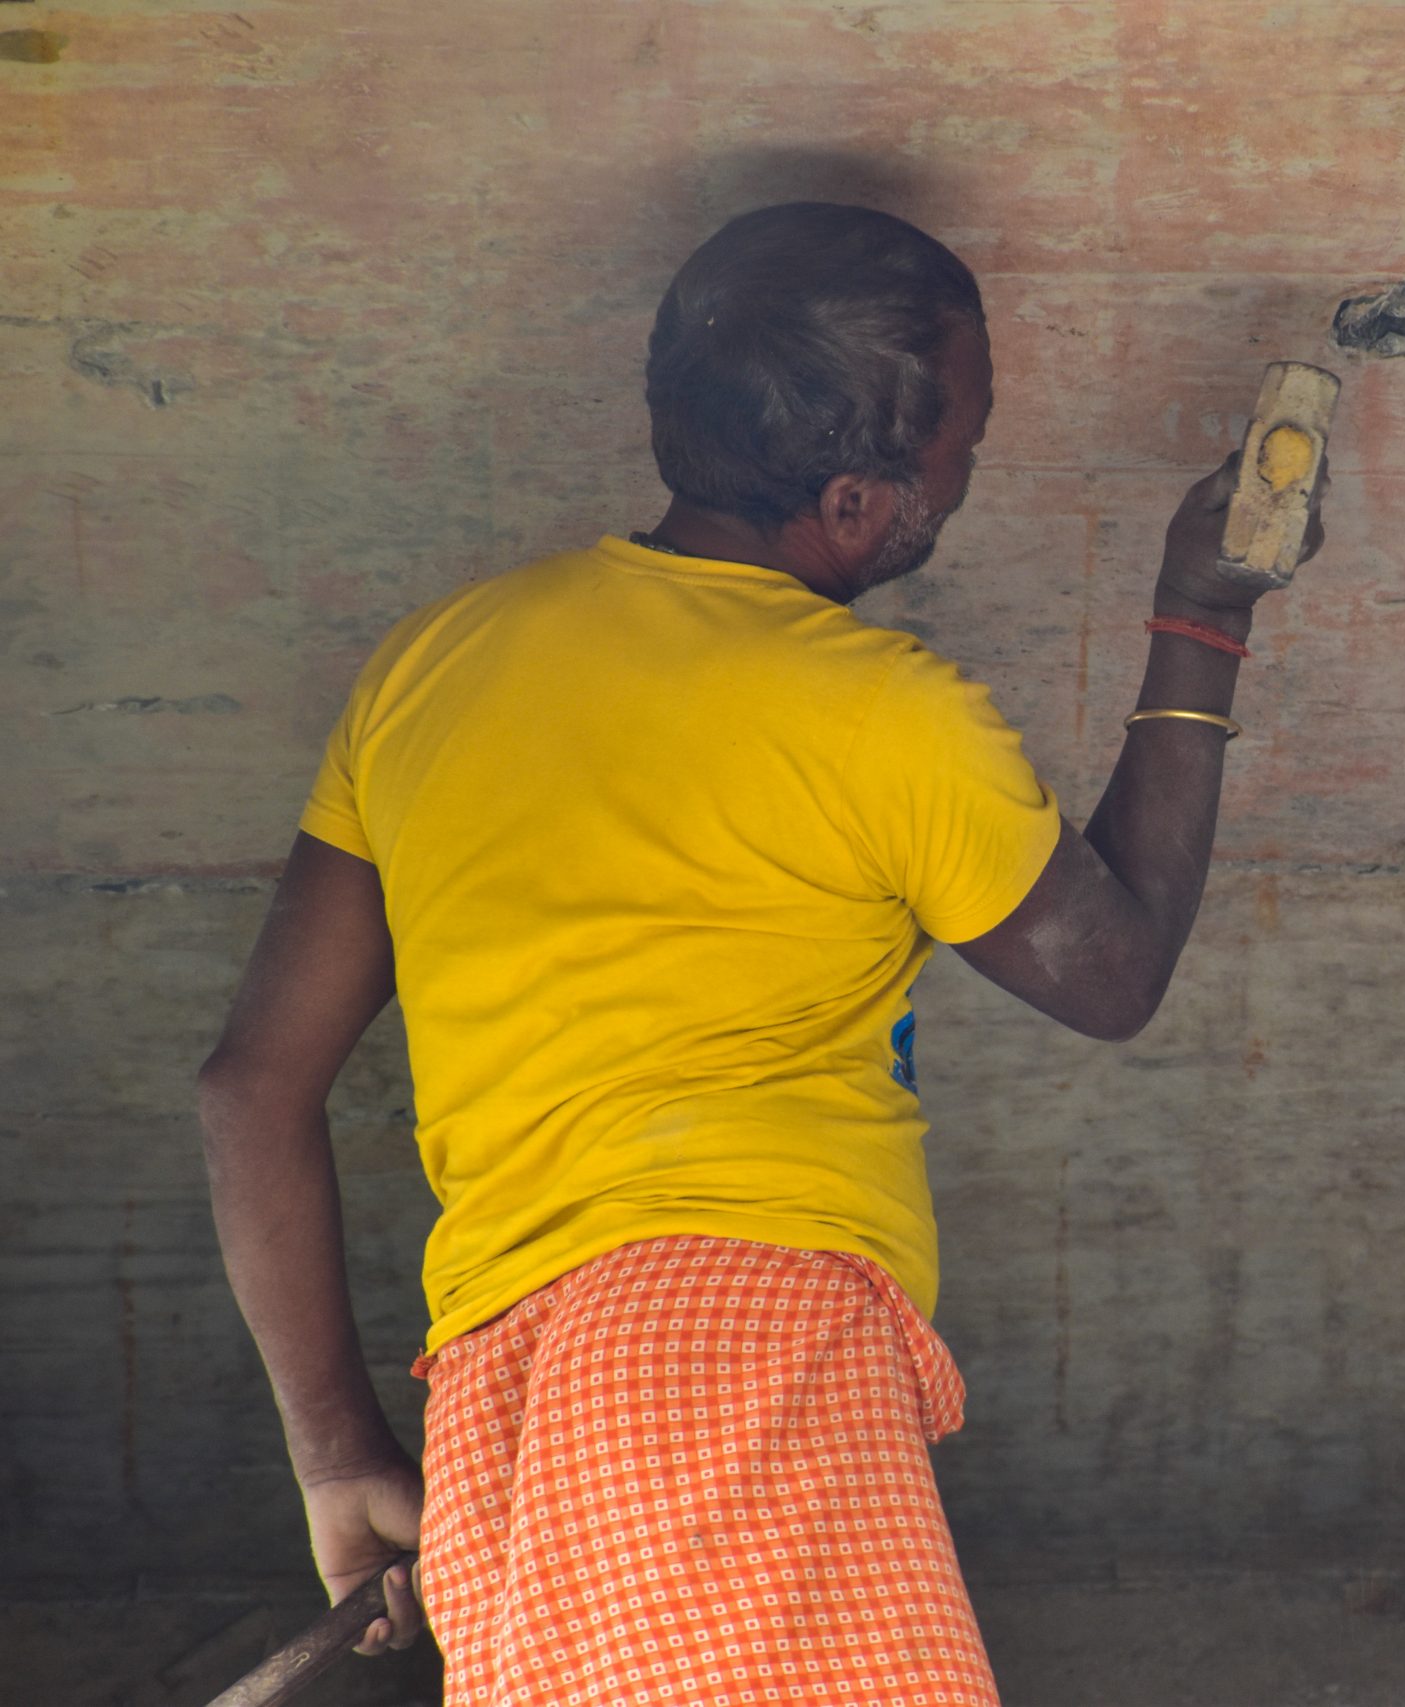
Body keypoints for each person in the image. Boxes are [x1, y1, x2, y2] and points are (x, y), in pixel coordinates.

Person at [197, 202, 1321, 1705]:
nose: (971, 475)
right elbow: (1109, 974)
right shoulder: (881, 713)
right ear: (857, 507)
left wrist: (338, 1456)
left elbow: (249, 1092)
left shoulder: (434, 664)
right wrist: (1203, 614)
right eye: (966, 450)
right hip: (724, 1354)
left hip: (496, 1406)